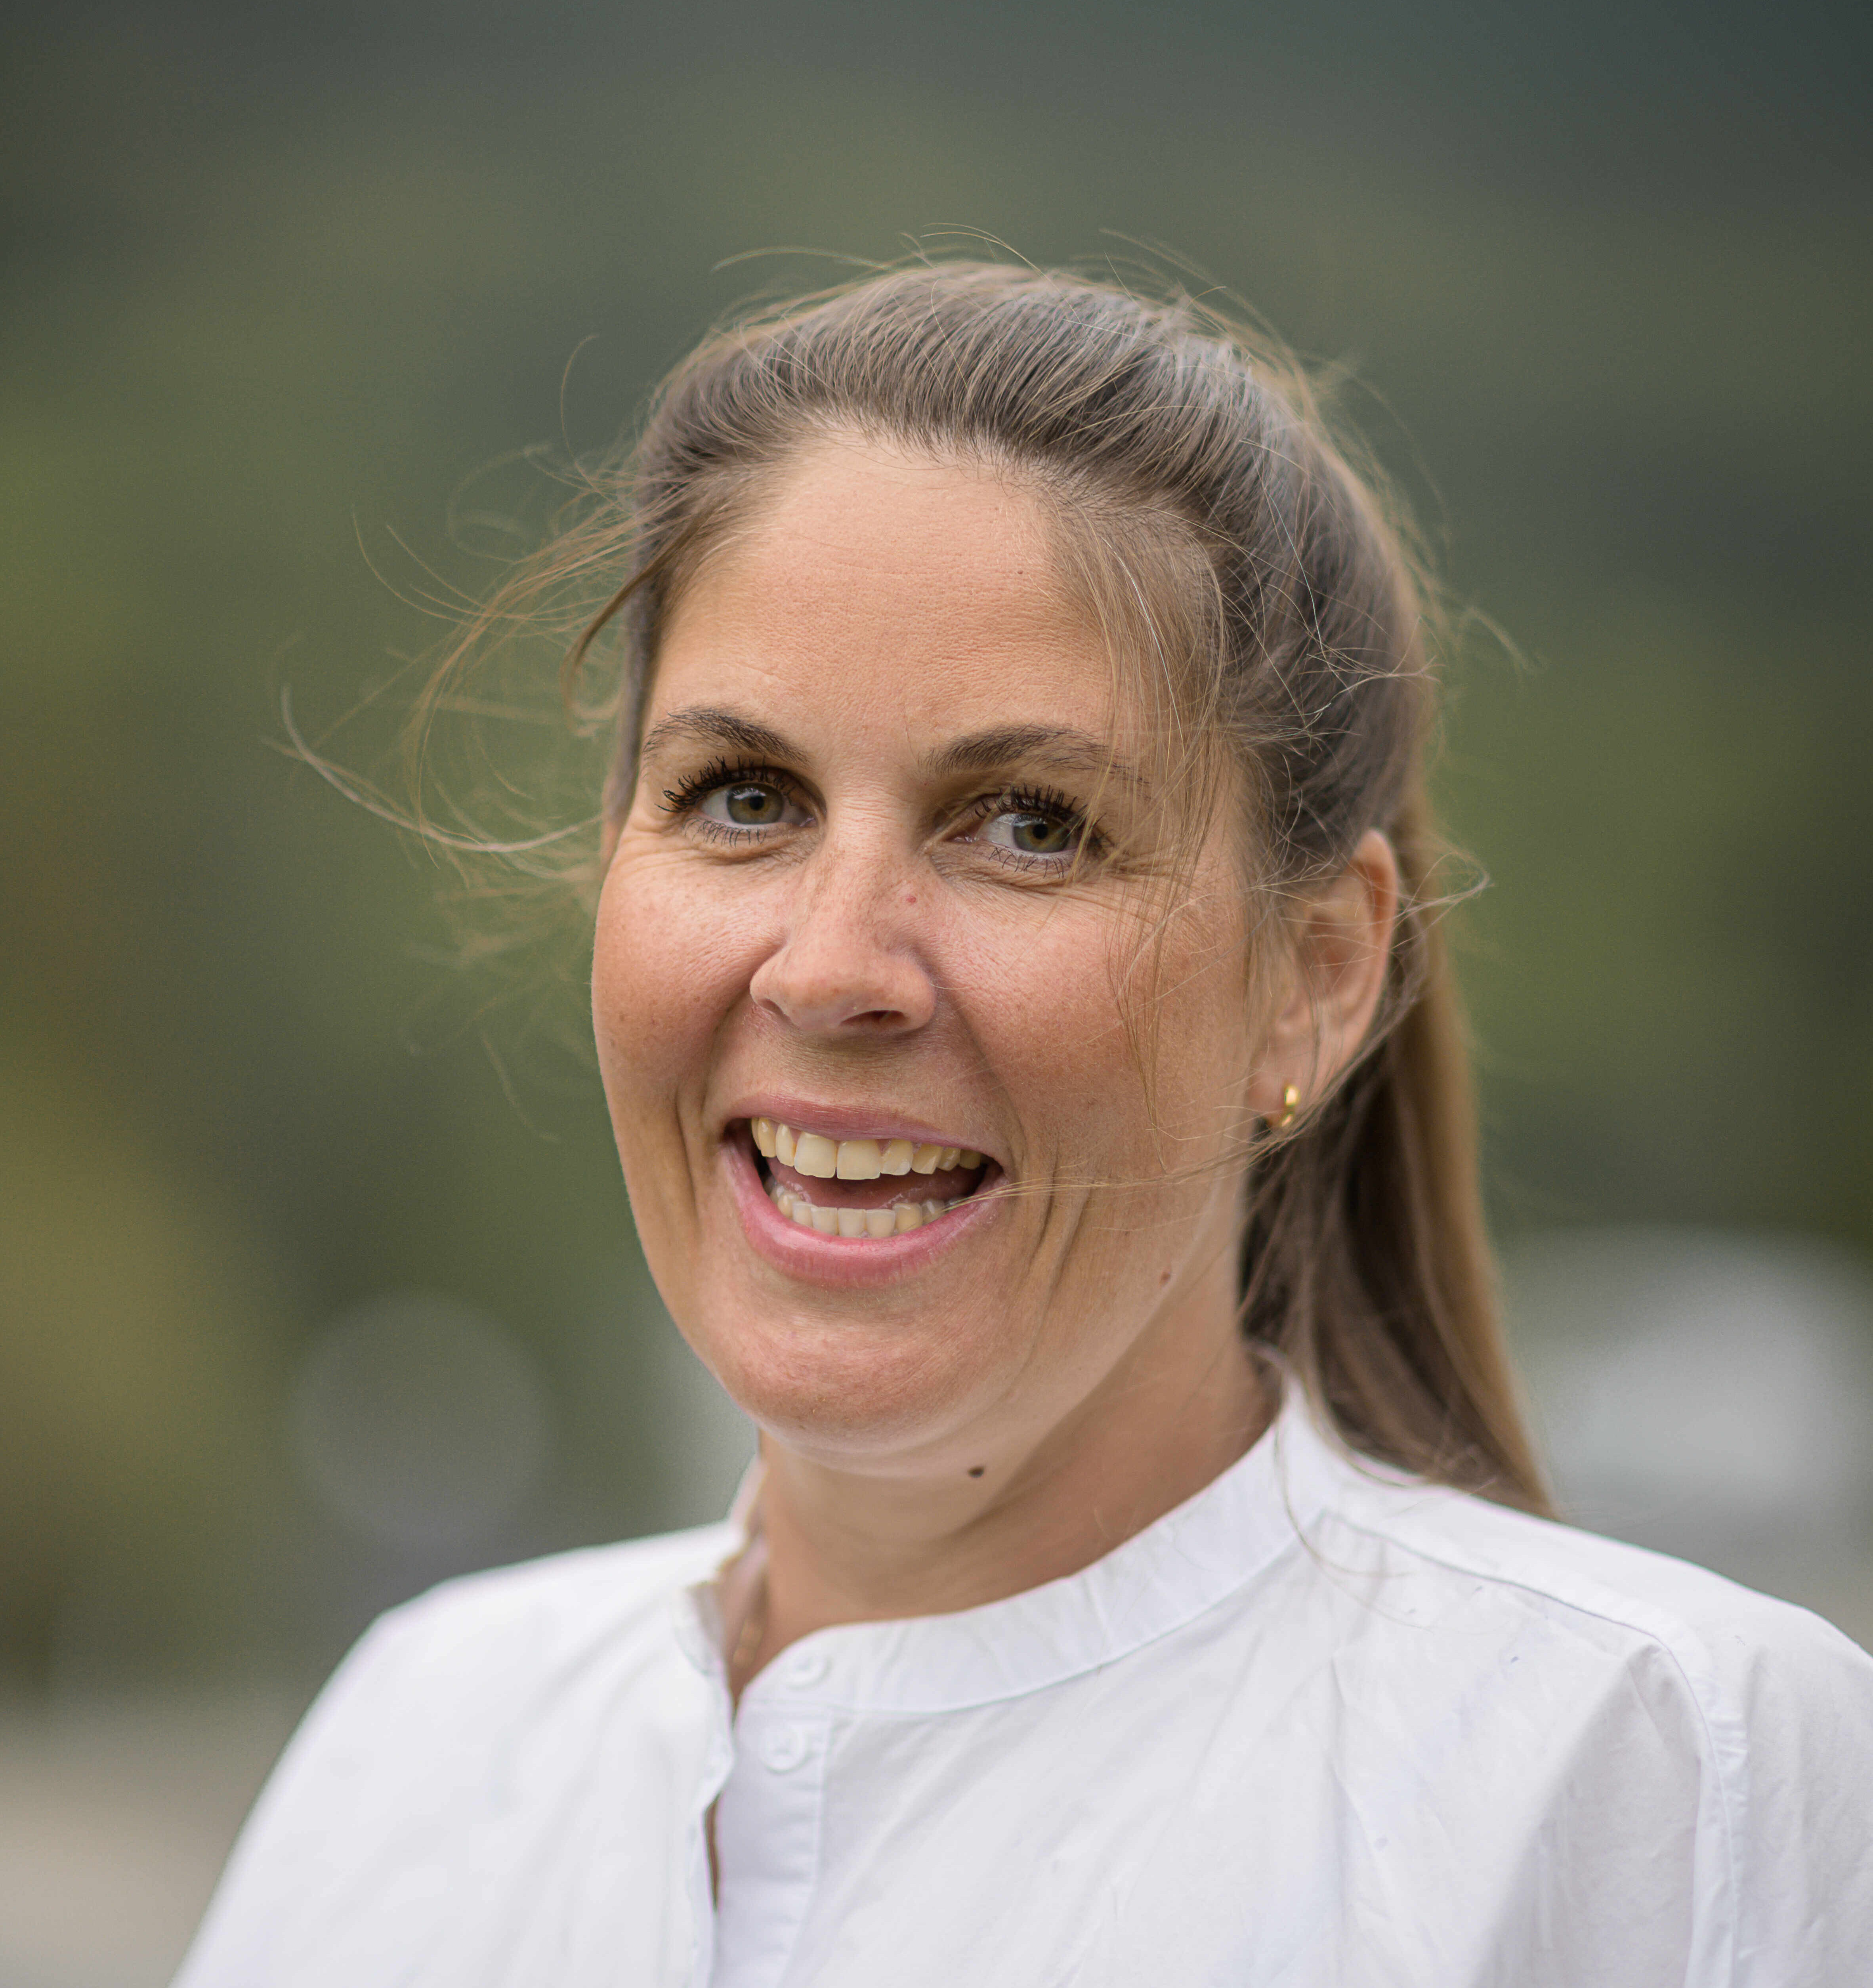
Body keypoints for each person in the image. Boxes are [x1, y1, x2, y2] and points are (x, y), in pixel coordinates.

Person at [175, 264, 1873, 1988]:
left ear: (1313, 976)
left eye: (1031, 826)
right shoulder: (422, 1745)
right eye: (744, 796)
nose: (832, 969)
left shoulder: (1668, 1778)